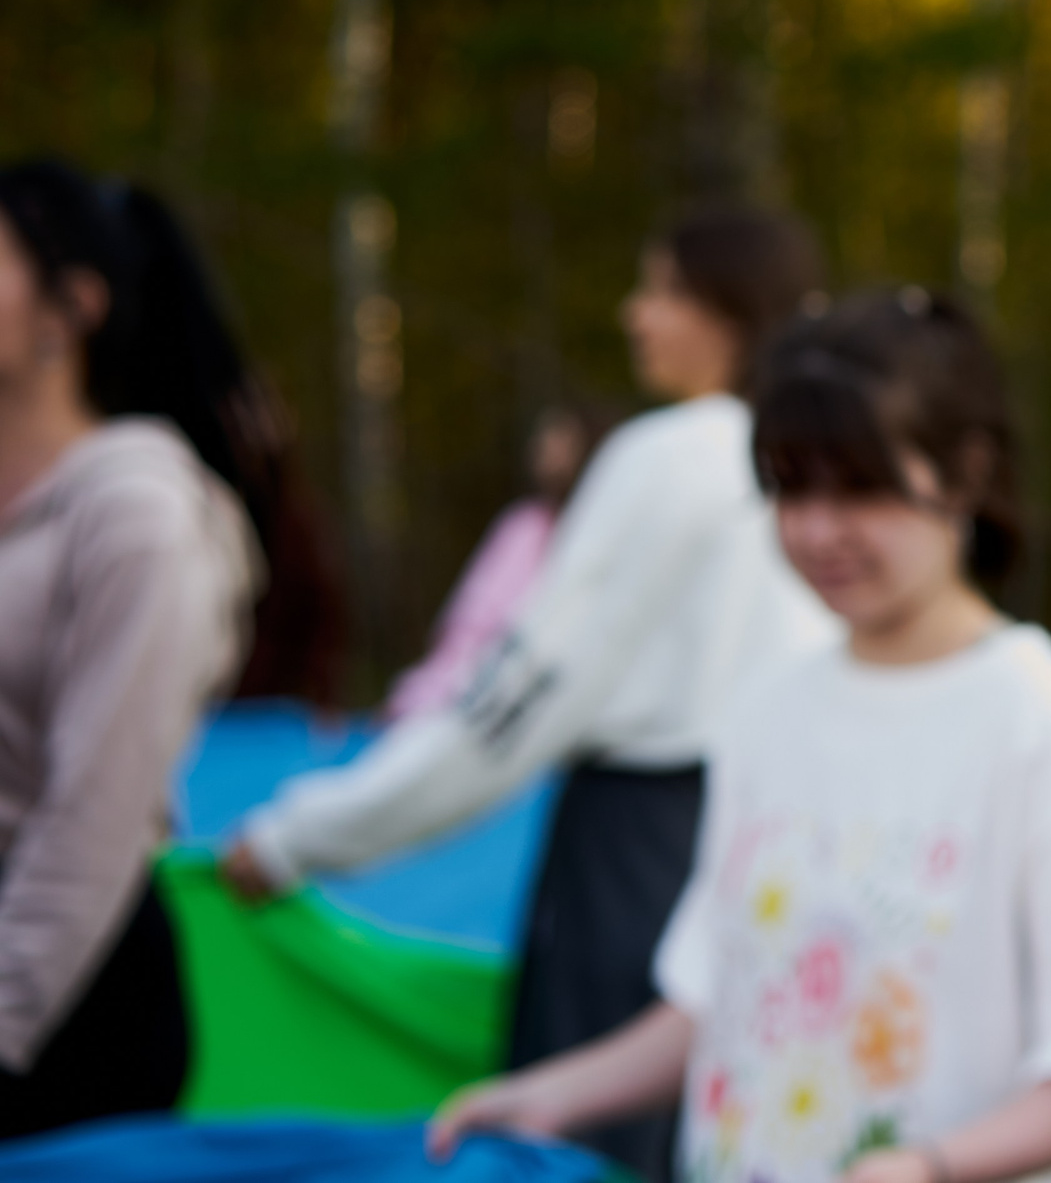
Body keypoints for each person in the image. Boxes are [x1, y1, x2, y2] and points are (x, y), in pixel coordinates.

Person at [428, 288, 1051, 1183]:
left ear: (968, 470)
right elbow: (720, 991)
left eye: (860, 487)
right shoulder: (764, 710)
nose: (819, 528)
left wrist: (926, 1166)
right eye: (792, 487)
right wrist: (552, 1092)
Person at [224, 208, 837, 1181]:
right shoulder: (825, 464)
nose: (636, 316)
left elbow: (507, 711)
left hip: (638, 867)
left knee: (581, 1154)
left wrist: (298, 840)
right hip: (783, 859)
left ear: (730, 311)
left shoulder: (670, 457)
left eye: (662, 290)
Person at [0, 161, 262, 1135]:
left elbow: (95, 815)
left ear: (70, 310)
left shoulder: (138, 515)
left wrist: (5, 1017)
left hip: (64, 993)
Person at [385, 402, 614, 721]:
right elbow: (468, 620)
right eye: (544, 435)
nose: (544, 444)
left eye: (560, 436)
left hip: (559, 701)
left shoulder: (604, 536)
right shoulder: (521, 527)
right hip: (481, 688)